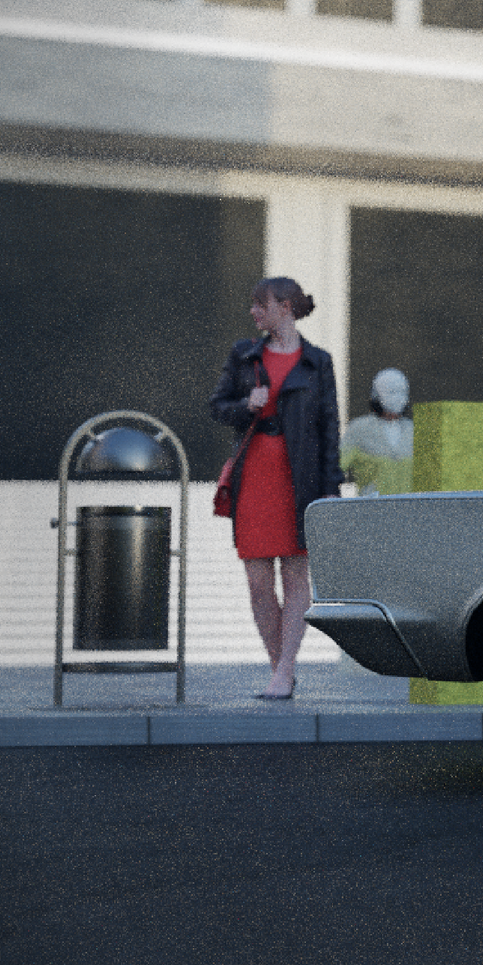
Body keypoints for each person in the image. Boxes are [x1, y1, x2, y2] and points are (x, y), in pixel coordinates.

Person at [209, 277, 345, 700]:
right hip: (256, 473)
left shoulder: (317, 362)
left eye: (260, 305)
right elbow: (217, 407)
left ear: (285, 307)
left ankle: (284, 671)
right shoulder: (244, 355)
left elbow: (329, 430)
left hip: (300, 477)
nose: (253, 312)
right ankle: (278, 666)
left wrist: (329, 491)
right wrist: (243, 405)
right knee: (257, 580)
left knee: (295, 575)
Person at [342, 367, 414, 496]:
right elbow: (337, 467)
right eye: (391, 391)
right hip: (372, 508)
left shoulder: (413, 430)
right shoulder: (359, 428)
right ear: (376, 394)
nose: (397, 397)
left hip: (409, 508)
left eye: (402, 392)